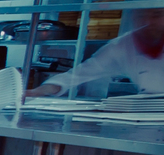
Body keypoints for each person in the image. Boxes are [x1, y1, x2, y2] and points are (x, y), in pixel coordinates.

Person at [24, 6, 164, 96]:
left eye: (156, 15)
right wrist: (41, 90)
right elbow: (81, 73)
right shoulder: (123, 45)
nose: (147, 21)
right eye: (141, 16)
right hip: (146, 113)